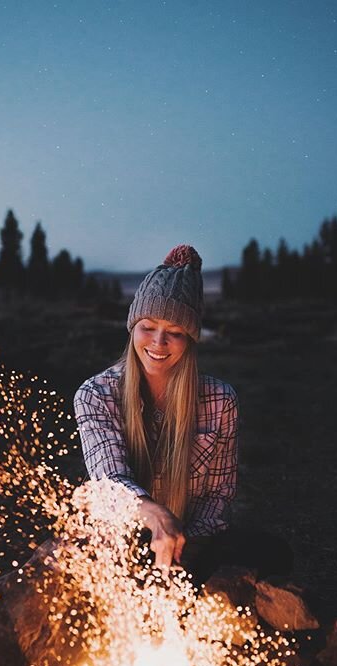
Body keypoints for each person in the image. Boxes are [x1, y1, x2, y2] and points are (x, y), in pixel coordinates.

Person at [73, 244, 238, 578]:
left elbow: (217, 496)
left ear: (190, 341)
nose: (158, 342)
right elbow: (111, 482)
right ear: (132, 326)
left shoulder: (220, 401)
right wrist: (153, 515)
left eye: (175, 332)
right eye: (148, 326)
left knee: (270, 553)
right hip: (121, 541)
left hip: (188, 545)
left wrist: (184, 548)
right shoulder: (96, 395)